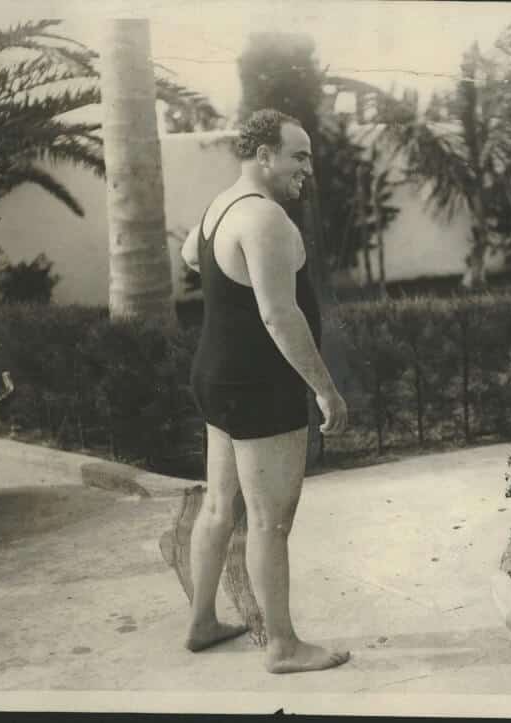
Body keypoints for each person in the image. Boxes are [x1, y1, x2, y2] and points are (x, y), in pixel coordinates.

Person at [180, 109, 350, 674]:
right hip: (258, 386)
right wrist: (326, 390)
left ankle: (203, 622)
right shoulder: (267, 219)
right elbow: (281, 316)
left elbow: (188, 258)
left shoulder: (218, 208)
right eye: (298, 156)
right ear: (264, 156)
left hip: (216, 375)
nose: (308, 168)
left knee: (217, 506)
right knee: (270, 519)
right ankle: (282, 645)